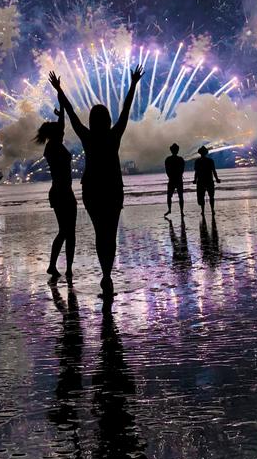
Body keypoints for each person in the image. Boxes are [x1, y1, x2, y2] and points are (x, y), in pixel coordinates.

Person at [49, 66, 144, 298]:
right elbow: (126, 109)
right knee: (110, 233)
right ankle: (106, 275)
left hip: (91, 190)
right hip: (112, 188)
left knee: (99, 231)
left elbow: (70, 112)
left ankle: (106, 275)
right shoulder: (114, 135)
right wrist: (133, 84)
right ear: (108, 119)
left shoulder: (87, 136)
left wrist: (59, 89)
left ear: (92, 120)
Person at [36, 106, 77, 281]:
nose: (63, 133)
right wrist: (61, 107)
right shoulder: (53, 147)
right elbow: (61, 128)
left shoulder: (52, 146)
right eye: (60, 132)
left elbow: (61, 127)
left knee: (65, 231)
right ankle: (65, 268)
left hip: (61, 191)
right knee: (68, 232)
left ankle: (58, 266)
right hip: (62, 192)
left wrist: (61, 111)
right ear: (55, 135)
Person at [193, 145, 220, 216]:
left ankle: (203, 211)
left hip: (201, 181)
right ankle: (212, 209)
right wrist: (217, 179)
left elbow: (196, 172)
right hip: (209, 180)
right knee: (211, 196)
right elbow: (214, 171)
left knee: (201, 197)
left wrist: (195, 180)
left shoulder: (197, 161)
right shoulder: (210, 161)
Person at [164, 143, 185, 218]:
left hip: (172, 180)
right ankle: (181, 211)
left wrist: (171, 176)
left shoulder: (168, 159)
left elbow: (167, 170)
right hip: (178, 179)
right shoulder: (180, 159)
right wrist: (178, 175)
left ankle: (170, 210)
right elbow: (182, 170)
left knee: (169, 196)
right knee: (180, 196)